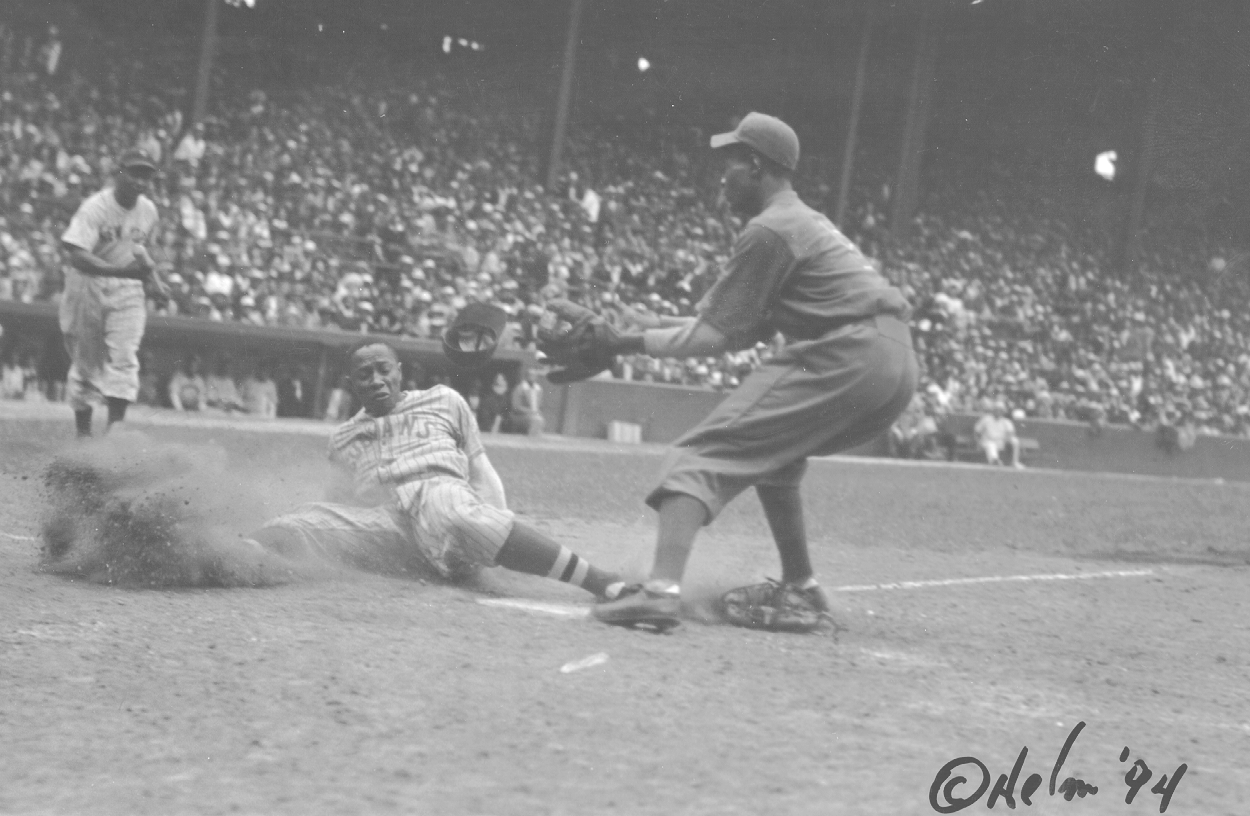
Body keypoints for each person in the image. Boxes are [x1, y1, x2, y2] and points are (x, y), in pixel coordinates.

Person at [553, 113, 918, 634]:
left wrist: (623, 343)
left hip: (849, 353)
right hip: (894, 362)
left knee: (697, 458)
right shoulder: (800, 221)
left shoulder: (768, 229)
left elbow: (715, 337)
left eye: (731, 163)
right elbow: (740, 327)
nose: (722, 176)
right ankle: (803, 587)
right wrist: (649, 327)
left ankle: (660, 594)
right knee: (777, 460)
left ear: (755, 165)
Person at [254, 342, 626, 600]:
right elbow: (339, 501)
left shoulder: (444, 400)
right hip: (389, 528)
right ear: (351, 385)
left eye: (384, 370)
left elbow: (480, 468)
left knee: (444, 506)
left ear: (399, 372)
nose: (377, 380)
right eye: (365, 375)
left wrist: (497, 526)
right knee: (300, 521)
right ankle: (222, 558)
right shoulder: (342, 438)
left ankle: (602, 582)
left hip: (440, 496)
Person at [58, 151, 170, 438]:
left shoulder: (148, 211)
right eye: (134, 173)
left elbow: (142, 250)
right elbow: (77, 255)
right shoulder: (95, 207)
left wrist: (154, 280)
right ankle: (83, 436)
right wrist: (122, 273)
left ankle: (113, 436)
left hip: (128, 288)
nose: (140, 181)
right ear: (119, 172)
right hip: (88, 283)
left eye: (146, 176)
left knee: (125, 358)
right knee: (85, 362)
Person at [973, 400, 1024, 468]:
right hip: (987, 441)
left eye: (1000, 410)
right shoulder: (986, 419)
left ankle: (1015, 462)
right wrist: (978, 443)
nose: (998, 412)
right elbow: (976, 431)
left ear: (1003, 411)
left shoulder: (1006, 421)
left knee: (1015, 441)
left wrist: (1007, 439)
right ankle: (995, 461)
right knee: (991, 445)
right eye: (996, 409)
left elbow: (1011, 433)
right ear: (993, 410)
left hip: (1001, 442)